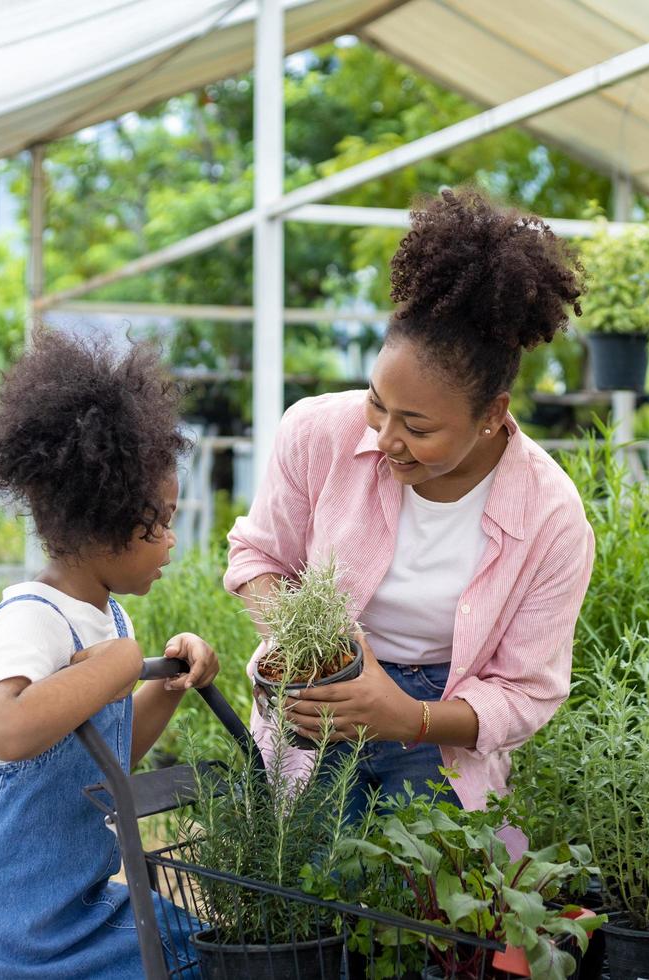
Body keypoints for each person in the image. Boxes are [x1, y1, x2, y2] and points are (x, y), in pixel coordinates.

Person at [226, 187, 595, 821]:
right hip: (317, 700)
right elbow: (256, 557)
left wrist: (407, 717)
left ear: (491, 416)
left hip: (438, 724)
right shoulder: (318, 431)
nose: (384, 437)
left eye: (418, 428)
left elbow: (526, 694)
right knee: (302, 890)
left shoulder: (552, 518)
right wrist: (309, 646)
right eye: (377, 402)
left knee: (423, 907)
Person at [0, 330, 218, 979]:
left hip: (70, 913)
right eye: (159, 522)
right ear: (102, 520)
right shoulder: (29, 622)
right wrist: (114, 667)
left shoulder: (109, 619)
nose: (171, 542)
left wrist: (161, 685)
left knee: (209, 949)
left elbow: (106, 760)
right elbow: (10, 726)